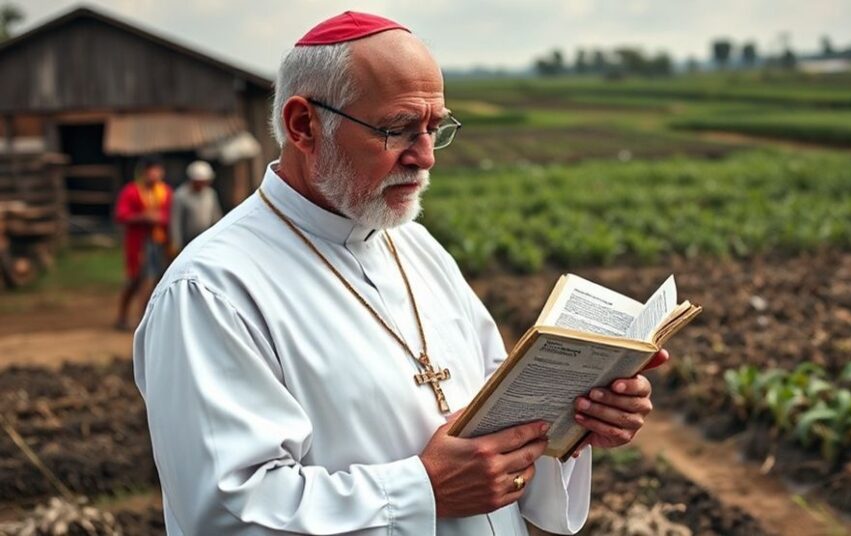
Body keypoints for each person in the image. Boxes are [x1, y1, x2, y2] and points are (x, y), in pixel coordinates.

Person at [133, 11, 668, 535]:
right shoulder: (211, 291)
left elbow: (494, 409)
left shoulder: (415, 244)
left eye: (435, 128)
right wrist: (421, 492)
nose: (426, 157)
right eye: (398, 130)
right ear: (304, 125)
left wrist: (578, 421)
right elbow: (226, 511)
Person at [114, 155, 171, 330]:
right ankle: (123, 316)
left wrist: (161, 220)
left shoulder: (165, 192)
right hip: (139, 242)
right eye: (150, 171)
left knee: (155, 279)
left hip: (160, 241)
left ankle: (145, 318)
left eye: (157, 170)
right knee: (135, 279)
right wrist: (143, 217)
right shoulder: (131, 191)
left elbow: (171, 215)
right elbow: (121, 215)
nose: (154, 174)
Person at [170, 160, 223, 253]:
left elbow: (216, 217)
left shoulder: (210, 194)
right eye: (201, 181)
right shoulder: (181, 195)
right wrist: (176, 243)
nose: (203, 184)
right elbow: (176, 221)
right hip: (187, 241)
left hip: (207, 239)